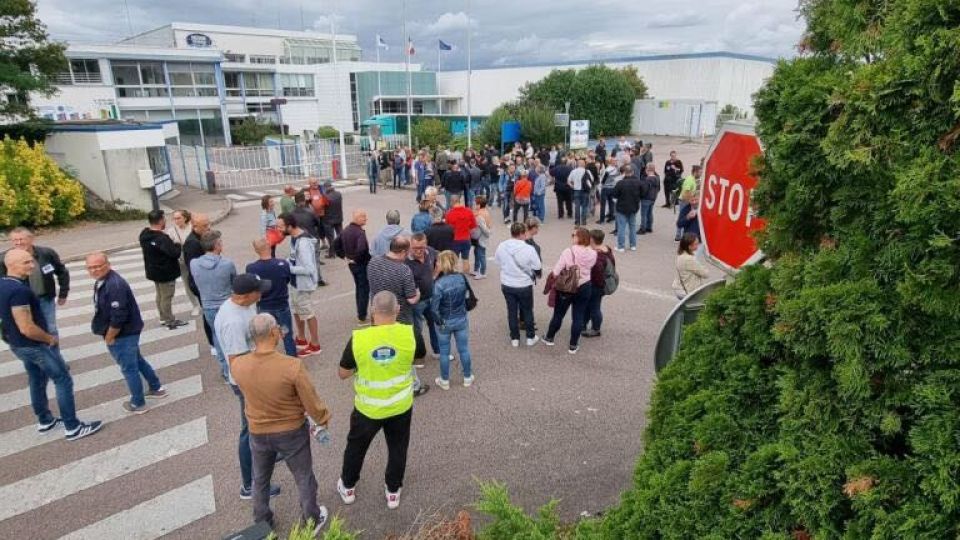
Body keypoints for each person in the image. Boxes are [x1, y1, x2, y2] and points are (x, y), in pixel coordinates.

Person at [232, 313, 331, 532]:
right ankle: (311, 518)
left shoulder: (238, 365)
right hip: (291, 431)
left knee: (260, 478)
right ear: (274, 333)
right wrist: (323, 418)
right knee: (303, 476)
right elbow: (310, 400)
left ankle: (262, 520)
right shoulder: (291, 366)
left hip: (257, 431)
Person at [337, 291, 426, 510]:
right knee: (397, 448)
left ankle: (348, 486)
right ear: (397, 310)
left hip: (368, 409)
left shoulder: (359, 339)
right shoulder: (410, 332)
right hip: (400, 406)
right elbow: (420, 358)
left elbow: (343, 373)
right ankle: (393, 491)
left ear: (372, 311)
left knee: (356, 447)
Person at [1, 248, 101, 441]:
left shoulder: (3, 284)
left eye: (31, 261)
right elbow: (27, 327)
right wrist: (49, 338)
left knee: (36, 379)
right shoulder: (19, 290)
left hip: (17, 344)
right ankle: (73, 427)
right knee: (62, 378)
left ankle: (45, 420)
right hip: (33, 344)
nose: (32, 265)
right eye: (26, 262)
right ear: (11, 265)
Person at [214, 273, 282, 501]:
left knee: (264, 421)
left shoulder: (245, 306)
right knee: (249, 430)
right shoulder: (232, 322)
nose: (262, 293)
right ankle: (249, 485)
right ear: (246, 295)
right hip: (246, 382)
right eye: (258, 290)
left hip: (257, 374)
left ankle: (271, 452)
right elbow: (237, 362)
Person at [88, 251, 168, 414]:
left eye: (98, 266)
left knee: (128, 368)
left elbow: (119, 316)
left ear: (108, 265)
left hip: (122, 333)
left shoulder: (114, 285)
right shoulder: (103, 281)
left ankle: (138, 403)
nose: (94, 270)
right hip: (127, 331)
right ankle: (156, 387)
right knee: (137, 361)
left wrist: (110, 336)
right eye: (90, 267)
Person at [366, 235, 429, 397]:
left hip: (377, 315)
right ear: (402, 251)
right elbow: (411, 299)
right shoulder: (403, 270)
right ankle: (413, 386)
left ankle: (385, 381)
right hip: (399, 318)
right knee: (403, 353)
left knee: (382, 350)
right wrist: (419, 292)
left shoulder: (374, 262)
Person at [1, 227, 70, 334]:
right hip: (21, 302)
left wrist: (63, 293)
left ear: (31, 239)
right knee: (27, 330)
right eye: (15, 240)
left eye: (21, 239)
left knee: (50, 328)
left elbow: (62, 272)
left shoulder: (46, 253)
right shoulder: (4, 258)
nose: (18, 243)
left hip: (45, 299)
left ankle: (52, 350)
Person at [190, 230, 237, 381]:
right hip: (226, 305)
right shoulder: (227, 264)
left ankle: (225, 369)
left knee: (217, 337)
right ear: (217, 245)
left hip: (208, 306)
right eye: (220, 242)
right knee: (232, 337)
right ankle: (236, 368)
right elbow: (234, 283)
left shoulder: (194, 263)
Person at [542, 228, 597, 354]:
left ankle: (549, 337)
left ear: (579, 238)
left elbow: (556, 271)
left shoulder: (568, 251)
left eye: (574, 235)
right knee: (578, 316)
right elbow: (590, 267)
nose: (572, 237)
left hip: (567, 286)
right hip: (585, 285)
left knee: (558, 314)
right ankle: (573, 345)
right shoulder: (593, 253)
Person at [277, 213, 322, 357]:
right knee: (297, 311)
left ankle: (315, 344)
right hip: (294, 283)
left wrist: (287, 268)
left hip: (302, 285)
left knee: (308, 313)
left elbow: (309, 269)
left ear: (290, 226)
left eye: (280, 227)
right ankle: (301, 338)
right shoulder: (294, 237)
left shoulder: (302, 243)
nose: (278, 230)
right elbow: (293, 258)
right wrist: (286, 262)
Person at [430, 250, 474, 390]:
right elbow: (467, 297)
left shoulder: (439, 284)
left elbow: (434, 309)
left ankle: (445, 380)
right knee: (463, 349)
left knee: (444, 352)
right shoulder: (461, 278)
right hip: (460, 318)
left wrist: (439, 322)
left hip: (444, 321)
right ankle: (467, 377)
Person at [494, 222, 542, 347]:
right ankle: (530, 337)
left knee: (511, 311)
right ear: (522, 233)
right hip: (524, 284)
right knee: (527, 310)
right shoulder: (529, 248)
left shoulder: (502, 246)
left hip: (507, 283)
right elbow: (538, 266)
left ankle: (514, 338)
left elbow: (497, 261)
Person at [139, 210, 188, 330]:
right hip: (166, 272)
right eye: (164, 219)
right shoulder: (162, 238)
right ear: (161, 221)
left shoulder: (144, 235)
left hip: (153, 271)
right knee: (166, 296)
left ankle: (162, 317)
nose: (165, 221)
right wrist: (177, 245)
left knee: (160, 295)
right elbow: (174, 253)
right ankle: (170, 320)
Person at [246, 239, 296, 356]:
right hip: (282, 305)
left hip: (264, 306)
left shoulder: (251, 268)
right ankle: (292, 358)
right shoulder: (282, 263)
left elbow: (253, 286)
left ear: (256, 250)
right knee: (287, 334)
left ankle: (269, 359)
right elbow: (288, 280)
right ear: (269, 246)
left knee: (266, 336)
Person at [183, 213, 216, 354]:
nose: (208, 228)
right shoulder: (192, 243)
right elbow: (195, 268)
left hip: (205, 283)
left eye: (209, 224)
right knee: (208, 312)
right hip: (200, 284)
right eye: (205, 226)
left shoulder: (200, 238)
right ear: (194, 226)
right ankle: (213, 343)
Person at [406, 233, 439, 359]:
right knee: (417, 329)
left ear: (426, 244)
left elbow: (439, 256)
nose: (419, 251)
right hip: (417, 302)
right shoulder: (405, 261)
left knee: (434, 325)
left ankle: (437, 351)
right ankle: (418, 356)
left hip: (431, 298)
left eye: (421, 247)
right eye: (415, 248)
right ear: (410, 245)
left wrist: (435, 274)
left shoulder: (430, 251)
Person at [165, 209, 201, 315]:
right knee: (187, 284)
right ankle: (195, 305)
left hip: (196, 259)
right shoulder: (171, 231)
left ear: (185, 218)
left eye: (178, 218)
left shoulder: (192, 228)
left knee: (200, 281)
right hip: (182, 262)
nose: (176, 221)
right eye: (174, 218)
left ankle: (203, 301)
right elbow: (169, 247)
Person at [581, 230, 615, 338]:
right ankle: (583, 325)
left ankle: (596, 329)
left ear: (592, 240)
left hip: (596, 286)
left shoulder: (597, 256)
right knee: (589, 306)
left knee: (594, 307)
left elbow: (597, 275)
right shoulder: (606, 249)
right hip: (602, 284)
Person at [341, 209, 372, 324]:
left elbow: (336, 244)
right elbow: (362, 249)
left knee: (359, 287)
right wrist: (355, 258)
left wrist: (345, 256)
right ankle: (362, 315)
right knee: (363, 289)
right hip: (361, 264)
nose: (366, 219)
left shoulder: (346, 230)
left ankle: (360, 312)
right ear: (356, 218)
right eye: (363, 217)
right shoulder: (359, 233)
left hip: (352, 265)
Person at [612, 164, 643, 252]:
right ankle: (633, 245)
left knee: (621, 227)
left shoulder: (620, 183)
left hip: (621, 207)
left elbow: (614, 194)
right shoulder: (638, 182)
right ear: (632, 172)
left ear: (624, 173)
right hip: (633, 207)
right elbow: (643, 193)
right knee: (632, 227)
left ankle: (621, 246)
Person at [444, 195, 476, 274]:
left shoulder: (449, 214)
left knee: (455, 261)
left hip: (455, 240)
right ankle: (465, 277)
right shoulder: (468, 211)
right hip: (466, 239)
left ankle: (456, 277)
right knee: (466, 259)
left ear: (452, 202)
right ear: (459, 201)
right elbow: (473, 226)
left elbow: (446, 228)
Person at [673, 233, 710, 298]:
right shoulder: (689, 259)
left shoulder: (681, 255)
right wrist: (703, 267)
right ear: (689, 246)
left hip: (680, 288)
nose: (698, 245)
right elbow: (705, 274)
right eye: (696, 244)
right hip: (686, 292)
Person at [321, 181, 343, 258]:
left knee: (331, 237)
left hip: (328, 220)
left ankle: (332, 253)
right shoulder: (339, 194)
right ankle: (342, 250)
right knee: (340, 234)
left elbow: (322, 207)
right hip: (339, 218)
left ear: (326, 188)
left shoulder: (325, 197)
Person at [472, 196, 492, 279]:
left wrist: (488, 233)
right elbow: (490, 225)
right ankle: (476, 269)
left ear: (479, 205)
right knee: (477, 253)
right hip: (482, 237)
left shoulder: (479, 215)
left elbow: (484, 229)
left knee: (481, 255)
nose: (474, 205)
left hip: (480, 238)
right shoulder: (486, 212)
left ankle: (482, 272)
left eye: (475, 204)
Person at [638, 162, 661, 234]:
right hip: (653, 198)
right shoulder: (657, 177)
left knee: (644, 214)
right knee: (650, 213)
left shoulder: (648, 179)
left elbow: (644, 189)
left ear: (647, 169)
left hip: (646, 198)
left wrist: (641, 195)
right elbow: (659, 188)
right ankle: (649, 227)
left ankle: (643, 228)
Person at [569, 158, 592, 226]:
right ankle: (584, 221)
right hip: (585, 191)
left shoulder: (574, 171)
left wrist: (573, 186)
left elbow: (569, 181)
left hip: (576, 190)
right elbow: (591, 180)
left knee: (577, 207)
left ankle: (577, 221)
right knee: (584, 206)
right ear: (584, 164)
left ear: (577, 164)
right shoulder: (587, 171)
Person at [597, 160, 620, 225]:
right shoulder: (617, 170)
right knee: (611, 204)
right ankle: (611, 218)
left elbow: (603, 180)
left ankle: (602, 220)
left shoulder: (607, 170)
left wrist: (601, 184)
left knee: (603, 205)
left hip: (605, 188)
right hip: (613, 187)